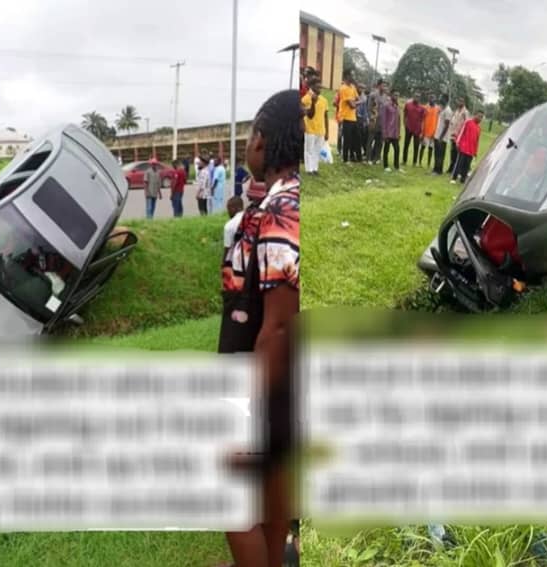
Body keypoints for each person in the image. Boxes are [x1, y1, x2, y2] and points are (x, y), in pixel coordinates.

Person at [219, 89, 302, 567]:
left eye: (252, 134)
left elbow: (277, 327)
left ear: (265, 143)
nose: (248, 143)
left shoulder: (282, 210)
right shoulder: (286, 200)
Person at [301, 77, 329, 175]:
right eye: (318, 87)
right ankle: (309, 169)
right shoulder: (305, 99)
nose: (320, 90)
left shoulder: (324, 100)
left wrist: (327, 132)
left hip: (321, 130)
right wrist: (313, 102)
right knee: (309, 150)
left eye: (321, 88)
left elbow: (325, 116)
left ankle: (315, 168)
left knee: (317, 150)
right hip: (310, 129)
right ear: (312, 87)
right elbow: (310, 115)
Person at [451, 110, 482, 184]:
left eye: (481, 117)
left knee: (467, 166)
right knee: (459, 164)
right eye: (479, 116)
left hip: (471, 151)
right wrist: (458, 143)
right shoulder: (468, 122)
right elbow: (461, 132)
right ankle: (454, 178)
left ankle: (463, 179)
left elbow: (477, 141)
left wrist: (475, 151)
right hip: (463, 148)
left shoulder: (479, 128)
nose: (480, 118)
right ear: (475, 115)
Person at [338, 71, 360, 163]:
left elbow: (357, 99)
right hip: (345, 117)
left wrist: (355, 102)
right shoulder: (343, 88)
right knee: (347, 139)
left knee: (356, 138)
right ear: (347, 76)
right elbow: (352, 105)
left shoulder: (353, 87)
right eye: (352, 75)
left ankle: (353, 157)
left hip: (353, 117)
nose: (353, 77)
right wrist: (356, 102)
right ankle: (345, 159)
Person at [447, 97, 469, 175]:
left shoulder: (465, 112)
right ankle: (451, 167)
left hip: (459, 136)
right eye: (459, 101)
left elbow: (466, 124)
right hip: (453, 134)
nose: (459, 103)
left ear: (464, 103)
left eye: (461, 101)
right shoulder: (456, 111)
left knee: (457, 153)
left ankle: (457, 170)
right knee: (452, 152)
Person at [367, 79, 387, 163]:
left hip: (382, 123)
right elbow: (369, 108)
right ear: (379, 86)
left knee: (379, 142)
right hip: (374, 121)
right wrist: (370, 119)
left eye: (386, 86)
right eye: (383, 85)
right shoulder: (373, 95)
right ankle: (368, 158)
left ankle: (376, 158)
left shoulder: (386, 97)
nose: (385, 87)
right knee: (370, 140)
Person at [402, 94, 424, 167]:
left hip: (417, 130)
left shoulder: (421, 108)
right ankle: (404, 160)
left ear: (420, 98)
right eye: (415, 96)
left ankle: (414, 162)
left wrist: (421, 130)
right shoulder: (408, 105)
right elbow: (405, 115)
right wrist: (405, 124)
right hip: (408, 128)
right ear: (413, 97)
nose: (416, 98)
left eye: (418, 97)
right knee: (406, 145)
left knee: (416, 146)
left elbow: (422, 119)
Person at [381, 92, 401, 172]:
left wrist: (399, 133)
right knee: (386, 149)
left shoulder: (397, 106)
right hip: (388, 132)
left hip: (395, 133)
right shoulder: (386, 106)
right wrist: (384, 133)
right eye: (395, 95)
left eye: (398, 95)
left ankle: (397, 166)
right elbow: (384, 120)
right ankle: (386, 166)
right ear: (391, 96)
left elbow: (398, 120)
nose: (396, 97)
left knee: (397, 149)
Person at [222, 194, 245, 262]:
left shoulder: (229, 225)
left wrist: (223, 263)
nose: (228, 212)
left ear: (234, 208)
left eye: (229, 209)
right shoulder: (251, 217)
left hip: (235, 260)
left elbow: (227, 248)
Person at [433, 95, 453, 175]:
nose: (440, 99)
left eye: (442, 98)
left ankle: (439, 171)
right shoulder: (442, 108)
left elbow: (447, 125)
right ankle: (435, 169)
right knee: (436, 153)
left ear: (446, 100)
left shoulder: (448, 110)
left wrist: (441, 137)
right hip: (437, 135)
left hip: (442, 138)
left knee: (440, 155)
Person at [421, 95, 439, 168]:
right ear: (429, 99)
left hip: (433, 132)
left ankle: (428, 163)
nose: (431, 99)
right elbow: (422, 119)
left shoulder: (438, 108)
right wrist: (422, 132)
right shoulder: (425, 107)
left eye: (433, 98)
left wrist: (436, 132)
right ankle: (419, 162)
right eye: (430, 98)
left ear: (435, 99)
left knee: (430, 149)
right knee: (423, 147)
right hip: (425, 131)